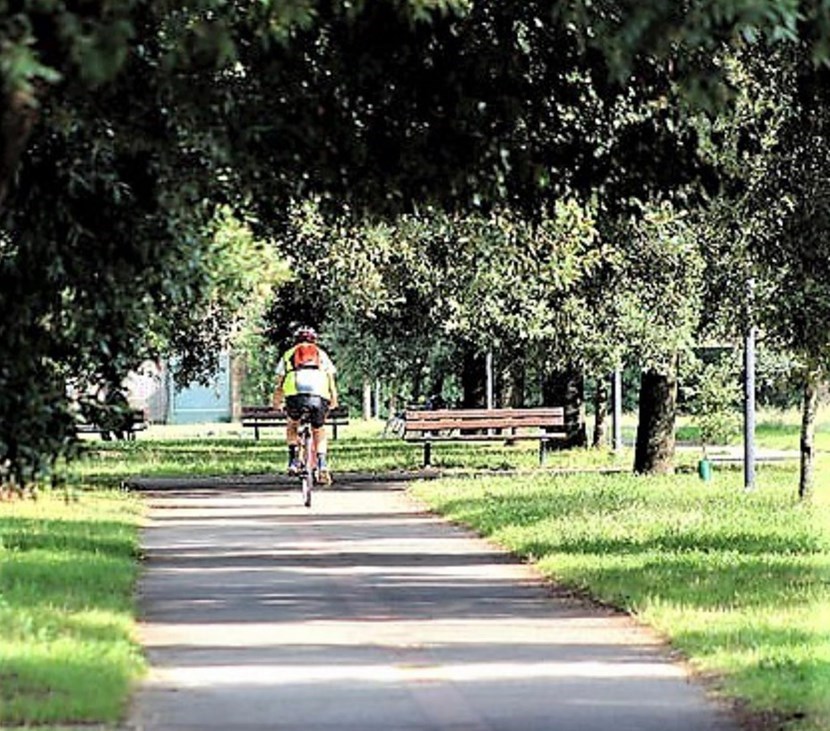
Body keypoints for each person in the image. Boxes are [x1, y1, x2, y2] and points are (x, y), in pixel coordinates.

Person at [272, 325, 339, 484]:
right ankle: (322, 464)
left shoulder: (288, 354)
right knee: (319, 429)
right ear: (314, 340)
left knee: (292, 424)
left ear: (296, 340)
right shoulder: (321, 354)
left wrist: (277, 401)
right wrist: (334, 400)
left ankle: (293, 460)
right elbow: (331, 381)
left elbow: (279, 383)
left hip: (295, 396)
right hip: (319, 396)